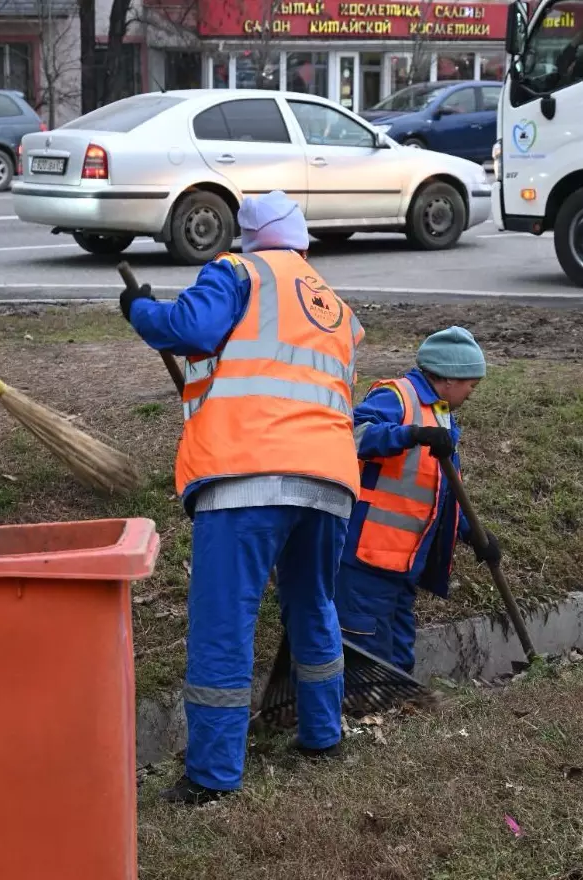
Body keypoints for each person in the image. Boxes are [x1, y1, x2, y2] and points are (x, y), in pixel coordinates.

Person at [120, 191, 364, 806]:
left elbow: (190, 329)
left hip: (246, 477)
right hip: (329, 479)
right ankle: (323, 736)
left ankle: (213, 774)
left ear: (249, 238)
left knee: (224, 624)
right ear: (302, 241)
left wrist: (141, 311)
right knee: (314, 608)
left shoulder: (237, 272)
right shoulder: (336, 307)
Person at [333, 327, 499, 674]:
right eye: (471, 383)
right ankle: (360, 718)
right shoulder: (397, 397)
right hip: (366, 558)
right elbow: (350, 435)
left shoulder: (440, 414)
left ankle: (395, 717)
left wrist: (473, 535)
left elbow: (441, 489)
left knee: (398, 655)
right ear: (450, 377)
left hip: (404, 563)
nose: (472, 391)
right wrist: (411, 435)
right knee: (366, 654)